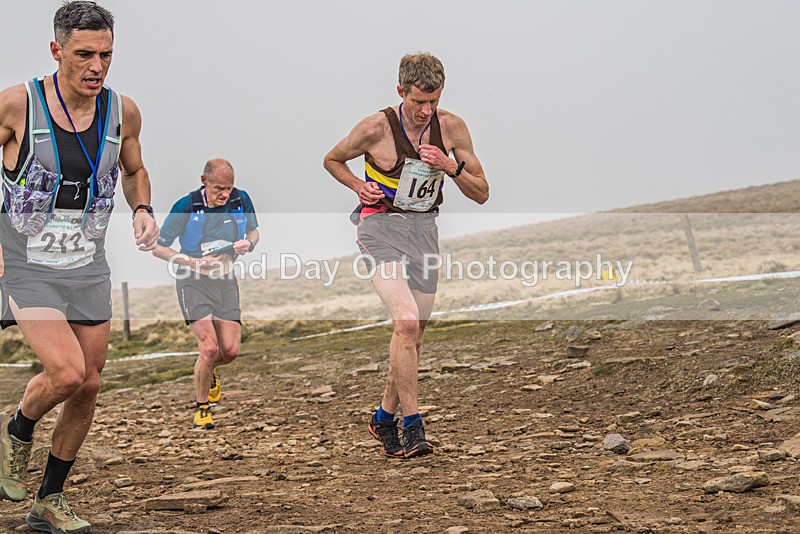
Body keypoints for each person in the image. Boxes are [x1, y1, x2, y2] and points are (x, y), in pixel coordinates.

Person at [0, 1, 159, 532]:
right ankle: (18, 429)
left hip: (87, 264)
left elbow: (135, 170)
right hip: (27, 263)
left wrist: (141, 209)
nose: (97, 66)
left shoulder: (122, 112)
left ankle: (48, 500)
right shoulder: (17, 106)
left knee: (88, 384)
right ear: (56, 51)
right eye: (84, 54)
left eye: (106, 55)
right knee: (65, 372)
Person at [323, 53, 488, 459]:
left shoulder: (452, 128)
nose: (425, 110)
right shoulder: (375, 127)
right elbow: (332, 159)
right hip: (380, 229)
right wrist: (357, 188)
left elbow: (482, 192)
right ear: (401, 92)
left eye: (433, 101)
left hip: (424, 232)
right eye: (418, 102)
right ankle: (414, 428)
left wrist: (450, 166)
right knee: (407, 322)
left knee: (414, 336)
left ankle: (383, 417)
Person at [152, 158, 259, 430]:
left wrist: (249, 243)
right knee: (209, 348)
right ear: (204, 182)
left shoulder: (240, 200)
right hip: (192, 281)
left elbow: (254, 232)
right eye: (218, 188)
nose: (224, 194)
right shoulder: (185, 207)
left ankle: (208, 369)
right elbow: (158, 248)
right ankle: (202, 410)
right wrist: (192, 263)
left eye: (229, 187)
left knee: (231, 351)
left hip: (225, 280)